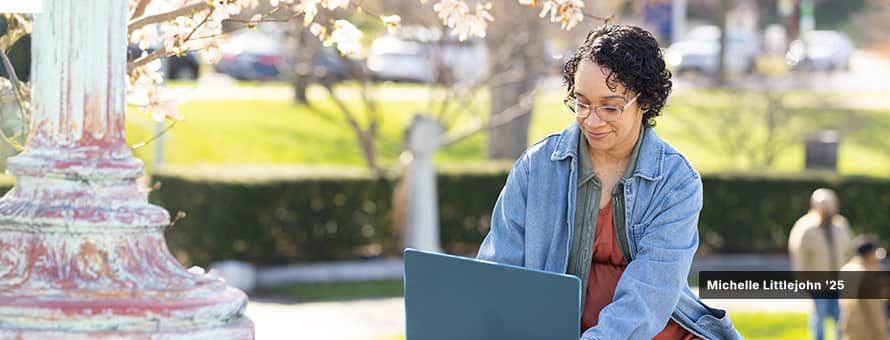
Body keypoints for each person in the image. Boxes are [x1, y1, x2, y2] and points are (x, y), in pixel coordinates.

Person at [476, 24, 741, 340]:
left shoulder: (676, 182)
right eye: (581, 102)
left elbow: (650, 294)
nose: (591, 119)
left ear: (644, 102)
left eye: (610, 107)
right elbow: (497, 270)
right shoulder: (537, 168)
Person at [788, 188, 853, 340]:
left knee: (842, 318)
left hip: (839, 281)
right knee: (819, 319)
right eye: (824, 204)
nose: (827, 207)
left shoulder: (841, 225)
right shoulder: (805, 227)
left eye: (830, 203)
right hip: (817, 283)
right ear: (814, 205)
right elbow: (799, 257)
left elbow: (849, 252)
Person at [839, 235, 888, 340]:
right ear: (870, 254)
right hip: (867, 330)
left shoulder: (847, 269)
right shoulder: (867, 275)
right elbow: (874, 310)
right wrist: (882, 335)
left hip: (849, 327)